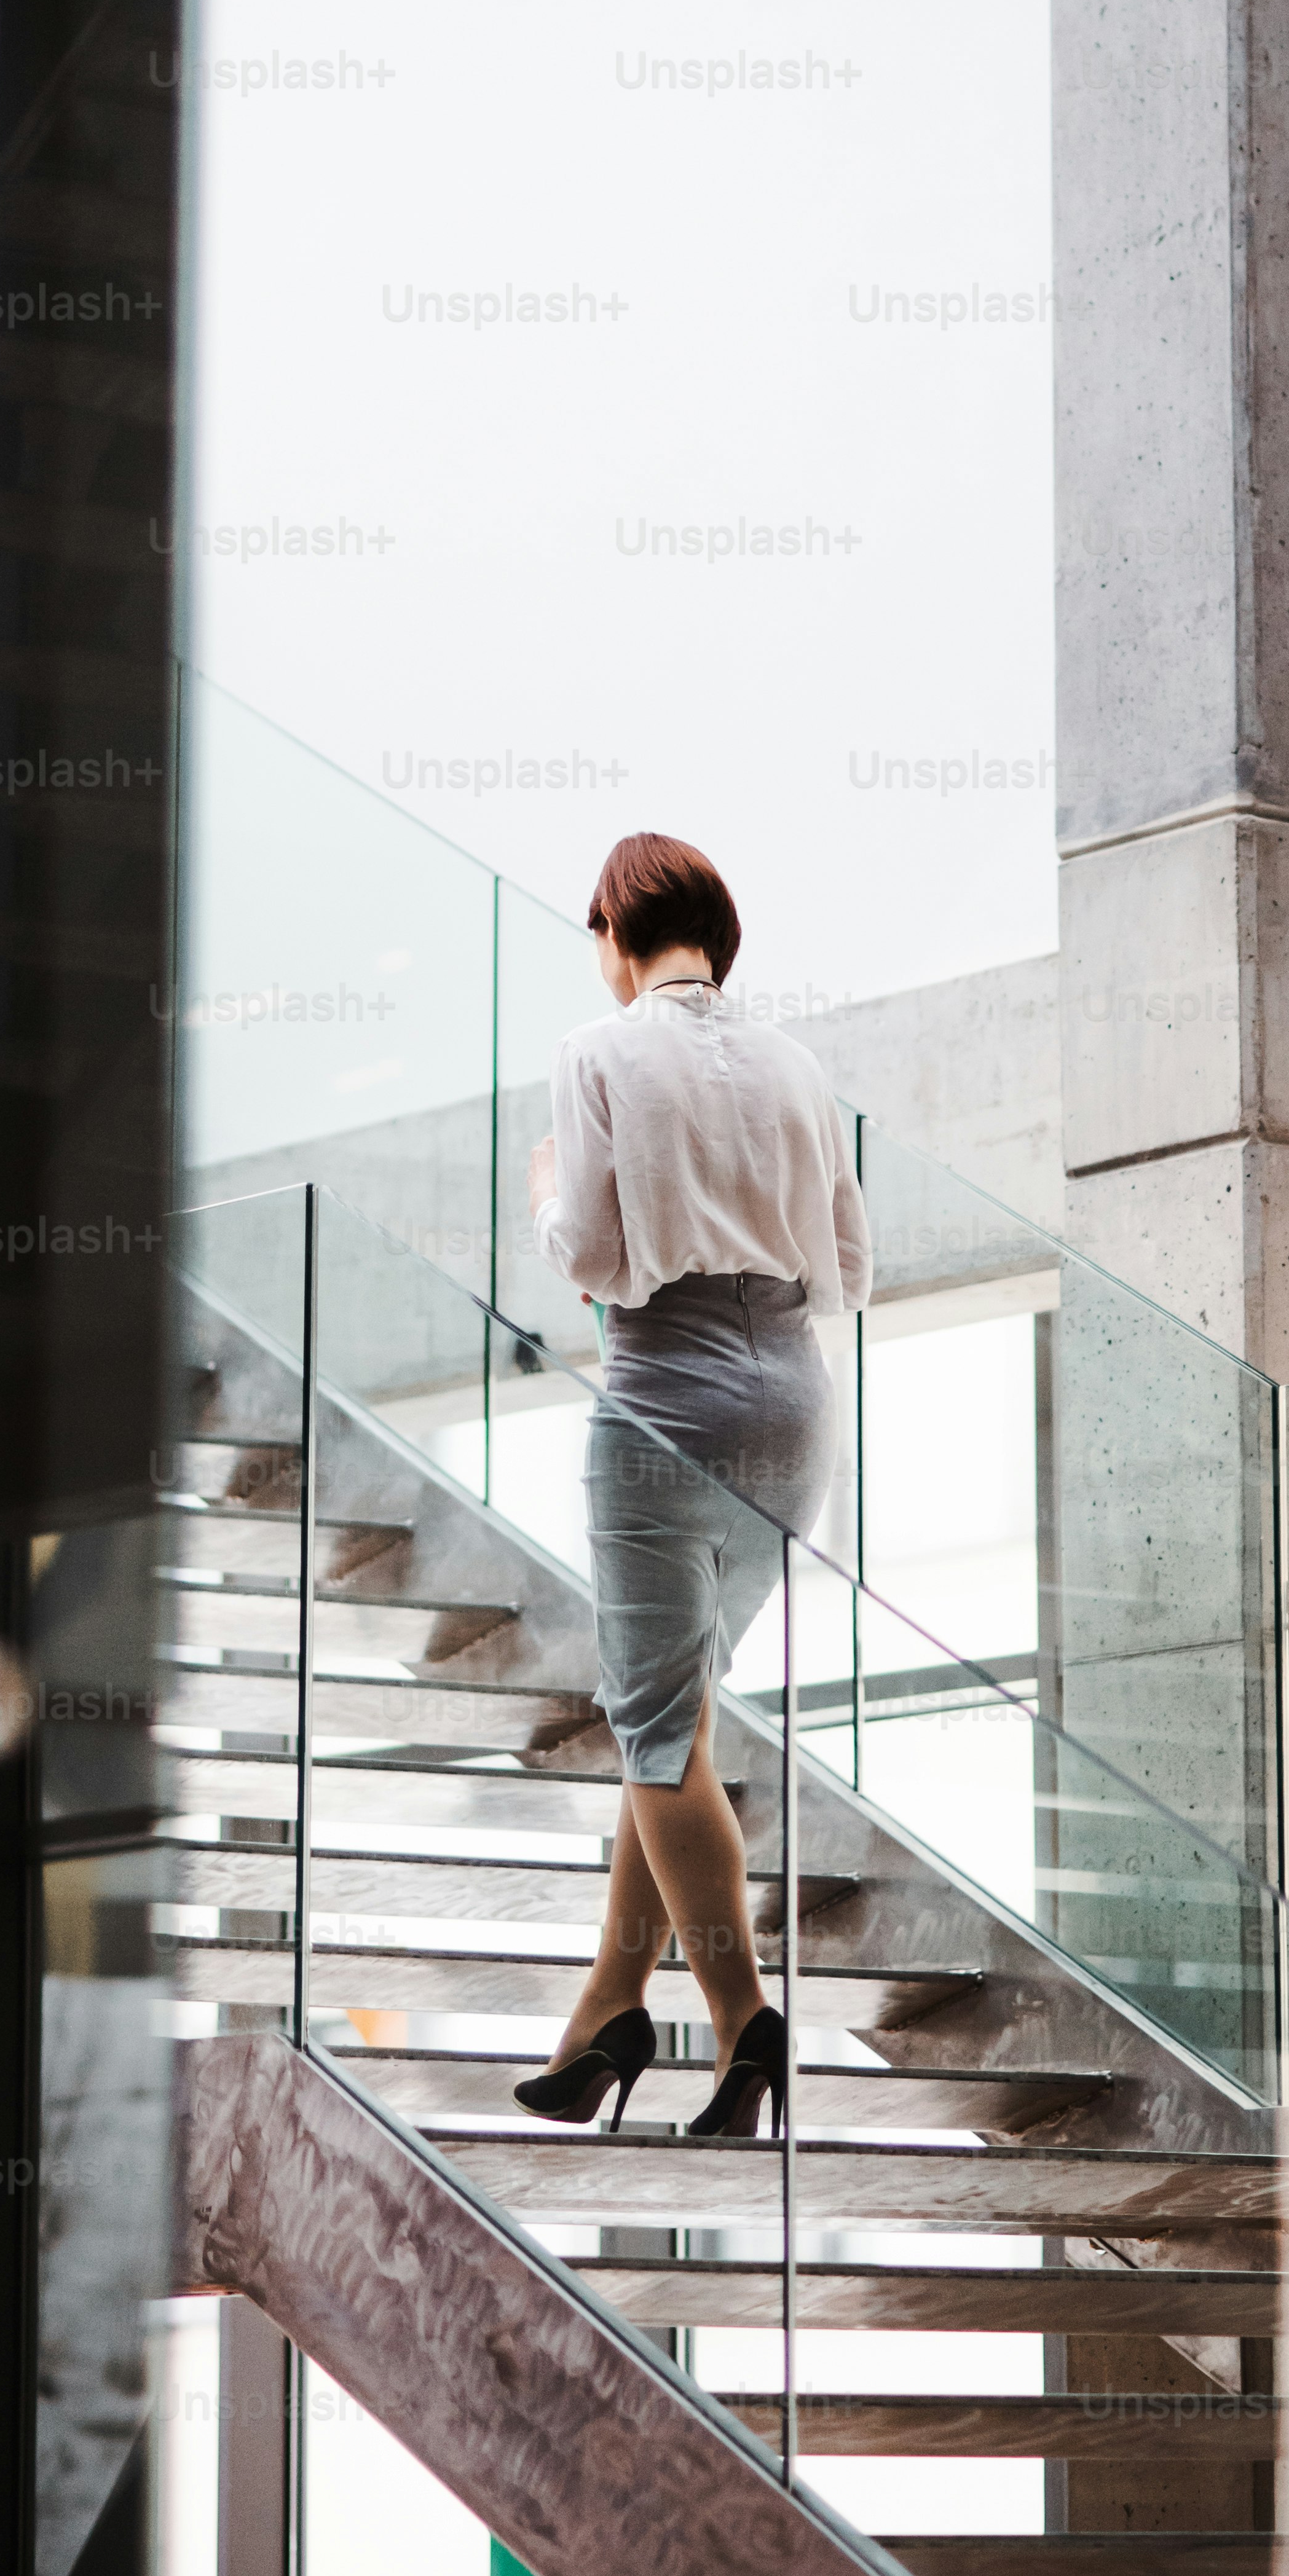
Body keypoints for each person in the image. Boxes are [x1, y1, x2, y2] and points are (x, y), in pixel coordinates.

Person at [513, 832, 870, 2138]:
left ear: (616, 930)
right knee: (679, 1724)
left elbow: (596, 1255)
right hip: (796, 1400)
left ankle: (740, 2024)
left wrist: (549, 1194)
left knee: (658, 1734)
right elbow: (849, 1257)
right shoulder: (797, 1063)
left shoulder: (596, 1054)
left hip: (666, 1389)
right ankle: (611, 2007)